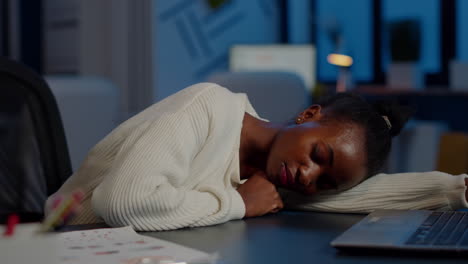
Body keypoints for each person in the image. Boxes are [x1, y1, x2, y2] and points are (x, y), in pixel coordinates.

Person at [45, 82, 448, 231]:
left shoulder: (273, 175)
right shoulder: (207, 107)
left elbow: (355, 195)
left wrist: (453, 189)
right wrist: (238, 203)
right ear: (308, 115)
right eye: (318, 155)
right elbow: (120, 201)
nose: (309, 178)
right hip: (56, 244)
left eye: (324, 182)